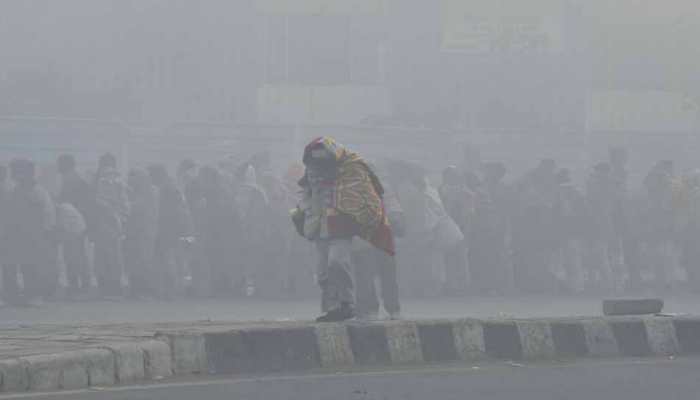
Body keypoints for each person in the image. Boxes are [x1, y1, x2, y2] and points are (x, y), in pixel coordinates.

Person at [292, 137, 394, 322]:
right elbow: (305, 194)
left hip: (341, 227)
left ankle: (347, 303)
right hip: (319, 226)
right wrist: (303, 212)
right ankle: (333, 308)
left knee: (337, 263)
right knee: (323, 273)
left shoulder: (352, 171)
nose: (319, 165)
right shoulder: (312, 172)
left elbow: (367, 198)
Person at [3, 159, 56, 305]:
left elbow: (44, 215)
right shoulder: (21, 189)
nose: (14, 175)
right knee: (25, 265)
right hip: (22, 234)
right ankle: (26, 295)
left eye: (16, 172)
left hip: (31, 235)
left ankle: (33, 295)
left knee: (31, 265)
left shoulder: (34, 191)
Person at [149, 164, 193, 299]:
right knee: (171, 260)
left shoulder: (167, 190)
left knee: (168, 260)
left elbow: (168, 212)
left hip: (168, 231)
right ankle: (172, 290)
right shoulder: (170, 188)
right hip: (171, 231)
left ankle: (172, 290)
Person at [92, 153, 129, 298]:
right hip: (103, 224)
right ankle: (107, 287)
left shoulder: (118, 183)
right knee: (104, 257)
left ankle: (113, 288)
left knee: (112, 257)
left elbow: (123, 205)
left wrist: (117, 217)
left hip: (112, 224)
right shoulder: (98, 181)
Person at [56, 154, 92, 296]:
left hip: (73, 224)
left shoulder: (70, 180)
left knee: (73, 257)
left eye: (59, 163)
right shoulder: (75, 179)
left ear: (66, 164)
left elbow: (67, 202)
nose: (58, 166)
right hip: (77, 224)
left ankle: (76, 287)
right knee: (79, 256)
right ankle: (81, 286)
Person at [124, 168, 159, 299]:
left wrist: (128, 204)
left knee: (145, 261)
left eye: (133, 179)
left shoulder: (151, 192)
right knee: (134, 262)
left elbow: (140, 209)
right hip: (135, 233)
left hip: (145, 233)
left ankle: (146, 290)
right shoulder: (135, 192)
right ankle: (136, 289)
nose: (130, 181)